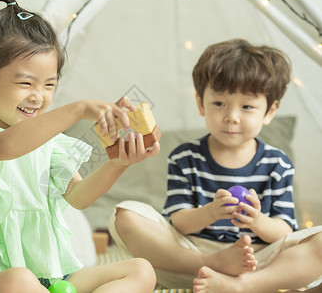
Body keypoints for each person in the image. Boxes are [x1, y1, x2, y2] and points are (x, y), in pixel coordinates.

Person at [0, 0, 160, 292]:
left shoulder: (48, 141)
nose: (38, 96)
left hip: (45, 281)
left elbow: (77, 196)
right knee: (20, 280)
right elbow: (5, 147)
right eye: (25, 83)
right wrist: (78, 109)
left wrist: (117, 163)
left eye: (49, 85)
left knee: (140, 270)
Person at [108, 38, 322, 292]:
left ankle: (241, 286)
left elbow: (283, 232)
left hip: (258, 259)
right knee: (124, 215)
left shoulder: (277, 163)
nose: (231, 116)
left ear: (269, 112)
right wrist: (211, 212)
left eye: (247, 106)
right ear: (201, 103)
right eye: (219, 103)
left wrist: (256, 221)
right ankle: (216, 268)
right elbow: (179, 223)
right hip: (192, 259)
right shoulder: (184, 157)